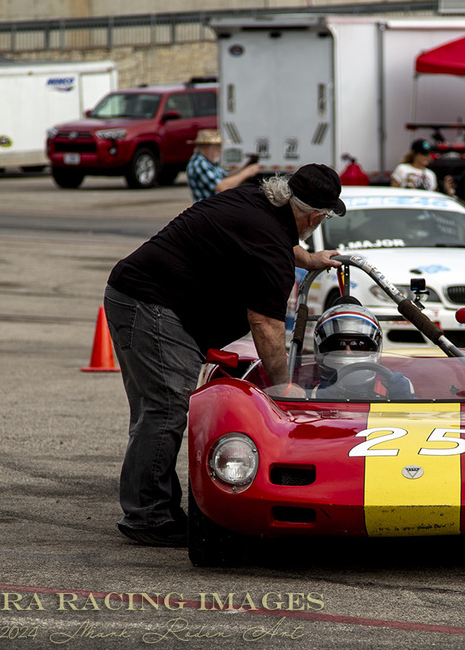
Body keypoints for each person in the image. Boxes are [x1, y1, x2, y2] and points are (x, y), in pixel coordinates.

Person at [104, 163, 345, 547]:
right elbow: (265, 324)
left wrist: (308, 260)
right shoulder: (268, 245)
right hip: (153, 306)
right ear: (315, 216)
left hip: (139, 296)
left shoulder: (257, 201)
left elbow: (274, 240)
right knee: (166, 409)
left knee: (156, 410)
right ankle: (148, 516)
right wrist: (284, 385)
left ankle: (152, 504)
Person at [309, 298, 414, 399]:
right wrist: (319, 399)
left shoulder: (393, 388)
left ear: (374, 348)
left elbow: (416, 416)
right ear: (321, 349)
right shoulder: (308, 394)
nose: (348, 353)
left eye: (358, 345)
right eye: (338, 345)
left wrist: (405, 401)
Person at [185, 129, 261, 202]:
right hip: (209, 210)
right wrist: (246, 173)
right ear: (206, 147)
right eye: (217, 147)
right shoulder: (200, 164)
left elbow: (226, 177)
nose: (220, 151)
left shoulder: (207, 162)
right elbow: (222, 187)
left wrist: (244, 169)